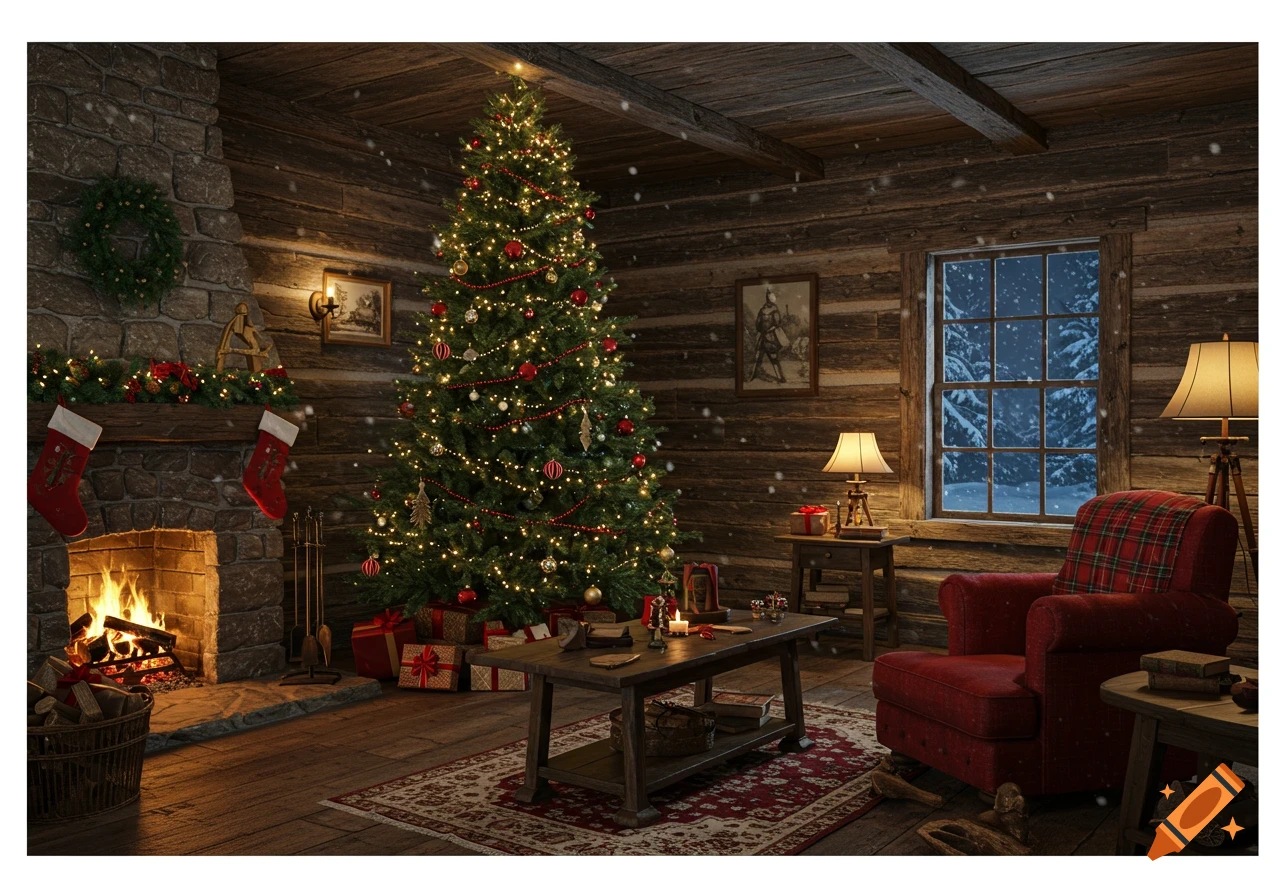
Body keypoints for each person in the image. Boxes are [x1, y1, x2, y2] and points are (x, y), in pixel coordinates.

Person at [748, 288, 788, 383]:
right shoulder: (775, 310)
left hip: (763, 337)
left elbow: (758, 325)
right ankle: (781, 378)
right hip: (770, 337)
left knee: (758, 357)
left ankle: (751, 377)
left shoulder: (761, 310)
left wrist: (763, 330)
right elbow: (778, 323)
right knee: (771, 357)